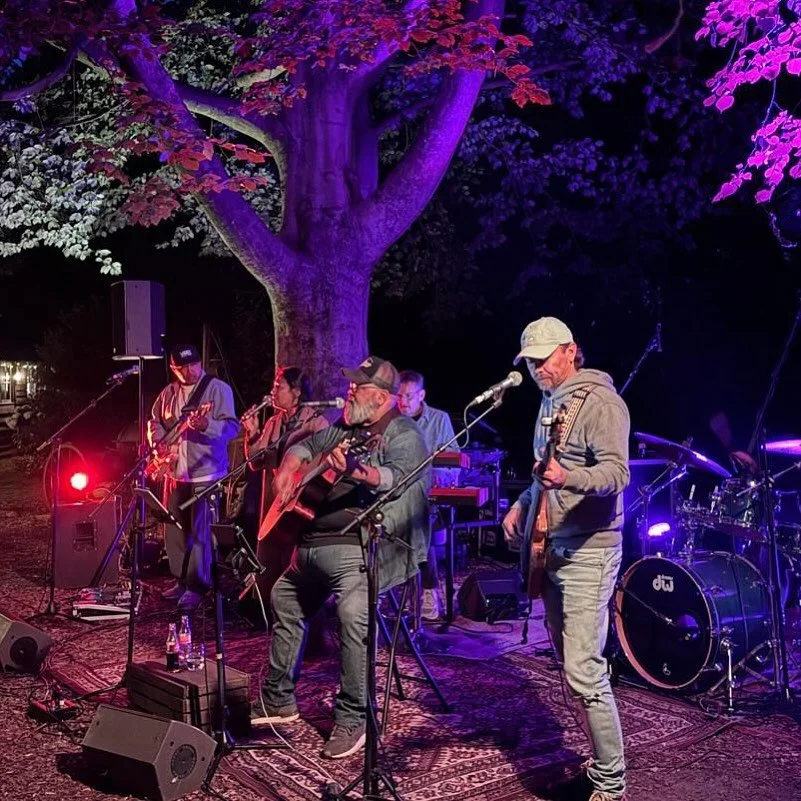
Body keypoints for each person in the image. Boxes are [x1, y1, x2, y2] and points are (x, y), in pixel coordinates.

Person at [251, 356, 430, 760]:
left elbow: (394, 479)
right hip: (311, 542)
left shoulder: (404, 433)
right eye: (350, 385)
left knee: (351, 613)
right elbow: (306, 446)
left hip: (356, 548)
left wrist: (356, 470)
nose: (349, 392)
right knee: (283, 596)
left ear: (381, 397)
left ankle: (354, 717)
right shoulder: (346, 426)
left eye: (358, 387)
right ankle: (278, 700)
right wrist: (289, 469)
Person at [502, 318, 630, 801]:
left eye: (543, 359)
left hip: (589, 550)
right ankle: (598, 769)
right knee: (571, 667)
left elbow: (617, 474)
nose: (536, 369)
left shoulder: (601, 403)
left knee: (583, 670)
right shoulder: (550, 402)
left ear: (570, 351)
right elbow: (546, 472)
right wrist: (523, 503)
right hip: (553, 547)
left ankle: (612, 783)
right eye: (530, 362)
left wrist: (567, 478)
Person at [148, 345, 239, 612]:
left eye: (193, 365)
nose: (190, 371)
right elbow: (154, 422)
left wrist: (207, 425)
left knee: (201, 532)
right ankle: (180, 579)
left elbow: (232, 428)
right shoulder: (168, 394)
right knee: (175, 529)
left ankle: (197, 586)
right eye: (183, 368)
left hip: (206, 473)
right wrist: (158, 444)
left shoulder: (217, 390)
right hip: (176, 472)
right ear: (174, 369)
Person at [241, 366, 328, 619]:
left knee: (294, 565)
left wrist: (304, 481)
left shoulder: (316, 422)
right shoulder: (274, 422)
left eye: (279, 386)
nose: (273, 391)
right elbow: (256, 463)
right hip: (274, 505)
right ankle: (272, 619)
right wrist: (253, 433)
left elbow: (328, 463)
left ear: (297, 392)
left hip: (300, 506)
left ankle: (302, 623)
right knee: (267, 562)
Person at [397, 369, 458, 620]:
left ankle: (429, 590)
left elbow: (454, 463)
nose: (403, 402)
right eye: (399, 396)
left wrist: (437, 475)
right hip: (396, 496)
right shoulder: (391, 420)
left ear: (421, 395)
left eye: (409, 396)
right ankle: (393, 591)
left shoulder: (439, 420)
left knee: (421, 525)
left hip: (430, 500)